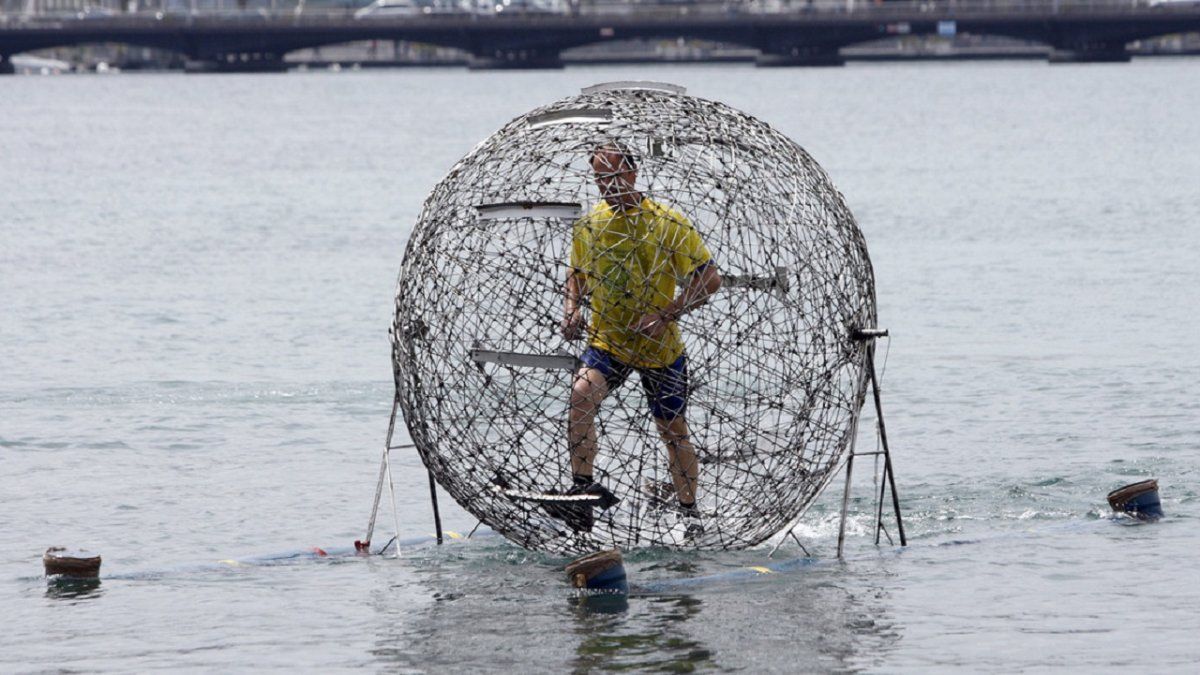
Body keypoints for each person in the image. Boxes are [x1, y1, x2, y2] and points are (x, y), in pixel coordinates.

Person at [550, 142, 722, 538]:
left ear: (632, 173)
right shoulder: (590, 224)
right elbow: (576, 275)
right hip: (608, 343)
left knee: (672, 430)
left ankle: (690, 514)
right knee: (580, 396)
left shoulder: (668, 223)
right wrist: (572, 309)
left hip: (660, 350)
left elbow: (710, 279)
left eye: (613, 176)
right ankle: (582, 495)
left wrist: (666, 315)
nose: (606, 185)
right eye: (599, 179)